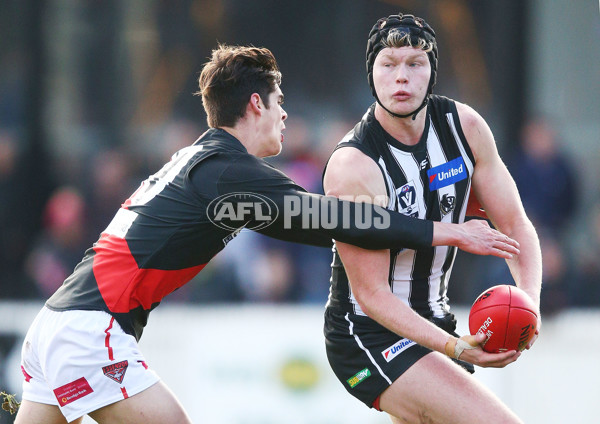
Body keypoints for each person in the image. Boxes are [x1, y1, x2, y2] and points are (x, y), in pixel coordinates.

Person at [15, 44, 519, 424]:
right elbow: (341, 220)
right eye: (280, 102)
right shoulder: (228, 173)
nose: (285, 115)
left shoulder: (201, 160)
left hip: (56, 325)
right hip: (89, 331)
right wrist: (448, 232)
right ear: (255, 104)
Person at [322, 13, 542, 424]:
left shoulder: (465, 127)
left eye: (415, 63)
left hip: (435, 321)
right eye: (388, 64)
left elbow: (515, 225)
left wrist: (530, 302)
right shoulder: (354, 164)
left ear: (432, 73)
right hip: (369, 335)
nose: (401, 77)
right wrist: (454, 348)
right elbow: (373, 296)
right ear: (371, 75)